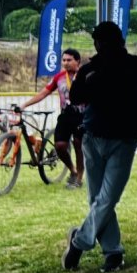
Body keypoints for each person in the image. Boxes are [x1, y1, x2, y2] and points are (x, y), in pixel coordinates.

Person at [63, 21, 137, 273]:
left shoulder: (135, 65)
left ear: (118, 41)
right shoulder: (90, 68)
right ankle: (113, 252)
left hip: (123, 138)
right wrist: (95, 80)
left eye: (106, 41)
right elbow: (76, 97)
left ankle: (79, 241)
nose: (102, 46)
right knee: (96, 198)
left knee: (108, 197)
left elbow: (128, 93)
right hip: (93, 136)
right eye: (100, 42)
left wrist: (96, 82)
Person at [20, 48, 85, 188]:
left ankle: (79, 177)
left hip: (82, 115)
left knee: (78, 145)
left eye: (69, 60)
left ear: (77, 61)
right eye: (64, 60)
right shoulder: (59, 77)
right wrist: (25, 105)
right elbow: (43, 93)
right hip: (66, 115)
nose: (66, 63)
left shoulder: (85, 76)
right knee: (60, 146)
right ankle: (72, 170)